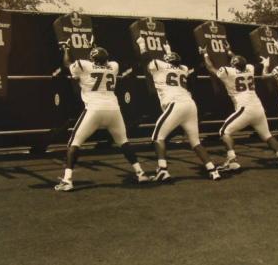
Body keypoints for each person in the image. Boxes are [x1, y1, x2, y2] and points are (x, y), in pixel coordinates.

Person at [54, 45, 150, 192]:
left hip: (94, 109)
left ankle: (67, 180)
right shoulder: (114, 66)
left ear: (92, 58)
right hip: (113, 110)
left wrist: (67, 50)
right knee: (124, 142)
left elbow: (68, 64)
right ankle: (140, 173)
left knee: (74, 143)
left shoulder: (83, 65)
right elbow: (102, 63)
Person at [199, 44, 278, 169]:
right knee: (267, 135)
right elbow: (241, 62)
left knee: (224, 132)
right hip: (258, 107)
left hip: (244, 108)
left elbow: (210, 68)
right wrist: (230, 51)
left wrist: (205, 54)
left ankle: (231, 161)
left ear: (232, 64)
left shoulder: (228, 71)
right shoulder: (250, 68)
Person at [140, 44, 221, 182]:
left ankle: (163, 170)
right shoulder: (183, 69)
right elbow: (174, 65)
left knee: (157, 137)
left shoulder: (158, 64)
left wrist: (142, 45)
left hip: (175, 104)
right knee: (195, 142)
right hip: (190, 105)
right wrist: (169, 51)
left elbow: (146, 60)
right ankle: (212, 170)